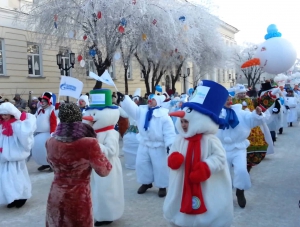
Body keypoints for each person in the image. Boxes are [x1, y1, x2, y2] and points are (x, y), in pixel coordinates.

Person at [163, 81, 233, 227]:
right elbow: (173, 151)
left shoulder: (210, 140)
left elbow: (220, 158)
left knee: (208, 204)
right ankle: (181, 219)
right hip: (183, 180)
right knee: (179, 199)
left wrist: (206, 166)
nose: (183, 125)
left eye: (187, 122)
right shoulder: (180, 139)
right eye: (181, 122)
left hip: (207, 182)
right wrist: (173, 158)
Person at [45, 103, 112, 227]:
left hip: (55, 193)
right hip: (78, 196)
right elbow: (104, 170)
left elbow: (50, 163)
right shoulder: (89, 143)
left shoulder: (50, 142)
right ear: (79, 118)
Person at [118, 92, 176, 197]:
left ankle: (162, 186)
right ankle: (146, 183)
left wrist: (170, 144)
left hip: (158, 146)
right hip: (144, 144)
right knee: (142, 164)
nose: (150, 101)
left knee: (160, 166)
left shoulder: (164, 115)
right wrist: (125, 98)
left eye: (152, 99)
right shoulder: (142, 111)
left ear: (157, 102)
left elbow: (169, 132)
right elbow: (132, 108)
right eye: (149, 99)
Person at [217, 95, 266, 208]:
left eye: (229, 99)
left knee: (241, 170)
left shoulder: (240, 112)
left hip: (238, 148)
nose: (228, 101)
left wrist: (257, 114)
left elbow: (252, 119)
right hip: (222, 148)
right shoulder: (216, 113)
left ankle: (240, 191)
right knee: (224, 173)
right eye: (225, 100)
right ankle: (226, 195)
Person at [0, 102, 36, 208]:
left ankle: (22, 196)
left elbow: (26, 131)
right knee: (6, 177)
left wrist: (22, 116)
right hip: (4, 156)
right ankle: (11, 196)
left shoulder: (17, 124)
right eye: (2, 115)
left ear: (11, 114)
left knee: (17, 176)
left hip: (16, 156)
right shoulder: (1, 125)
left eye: (6, 114)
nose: (4, 117)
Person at [32, 92, 57, 171]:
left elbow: (53, 122)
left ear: (48, 101)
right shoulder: (39, 109)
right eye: (41, 101)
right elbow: (34, 118)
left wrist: (52, 133)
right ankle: (44, 163)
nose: (42, 102)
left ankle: (51, 165)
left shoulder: (51, 109)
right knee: (40, 150)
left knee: (48, 150)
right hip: (39, 134)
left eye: (44, 101)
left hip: (47, 134)